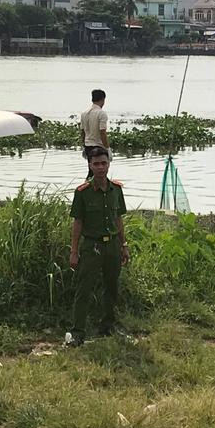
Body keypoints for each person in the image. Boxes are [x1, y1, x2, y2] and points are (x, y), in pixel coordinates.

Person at [66, 148, 129, 346]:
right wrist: (74, 251)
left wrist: (124, 245)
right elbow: (78, 223)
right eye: (96, 164)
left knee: (112, 287)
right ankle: (77, 332)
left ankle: (108, 325)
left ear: (109, 164)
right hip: (91, 246)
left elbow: (118, 218)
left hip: (112, 245)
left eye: (104, 163)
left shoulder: (116, 189)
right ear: (90, 166)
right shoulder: (83, 192)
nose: (101, 168)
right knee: (84, 289)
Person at [80, 89, 109, 177]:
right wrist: (107, 148)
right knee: (101, 171)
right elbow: (102, 132)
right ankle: (91, 189)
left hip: (88, 145)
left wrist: (84, 145)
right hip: (99, 146)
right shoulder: (101, 113)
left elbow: (82, 131)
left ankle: (88, 187)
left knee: (92, 170)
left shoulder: (84, 114)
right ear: (103, 99)